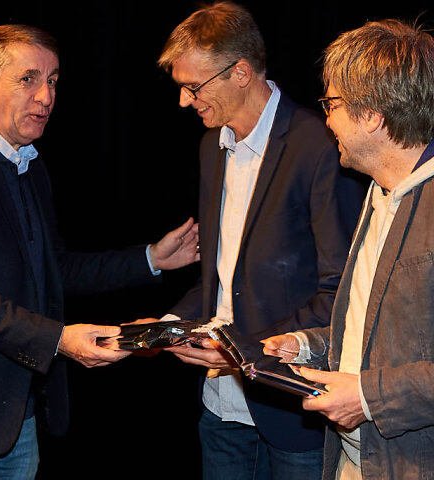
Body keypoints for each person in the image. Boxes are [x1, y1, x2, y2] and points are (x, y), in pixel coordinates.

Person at [0, 24, 199, 479]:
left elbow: (56, 270)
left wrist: (151, 258)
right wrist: (57, 339)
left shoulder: (30, 164)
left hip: (21, 414)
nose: (46, 96)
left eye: (52, 81)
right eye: (28, 79)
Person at [155, 2, 365, 479]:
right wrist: (168, 326)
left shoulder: (320, 145)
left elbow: (341, 292)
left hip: (292, 410)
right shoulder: (212, 146)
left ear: (241, 72)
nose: (184, 101)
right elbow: (222, 278)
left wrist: (245, 350)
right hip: (220, 407)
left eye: (194, 86)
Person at [262, 18, 434, 480]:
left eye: (332, 104)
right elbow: (377, 331)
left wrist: (368, 398)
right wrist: (306, 345)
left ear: (372, 115)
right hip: (357, 460)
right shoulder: (379, 194)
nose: (327, 119)